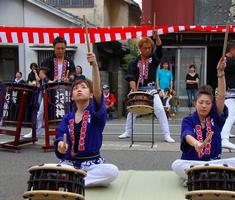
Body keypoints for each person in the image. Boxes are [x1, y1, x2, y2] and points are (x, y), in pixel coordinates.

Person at [171, 57, 235, 180]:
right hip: (193, 163)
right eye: (201, 102)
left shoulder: (215, 116)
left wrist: (220, 73)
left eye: (208, 103)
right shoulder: (188, 120)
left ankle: (199, 176)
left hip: (213, 162)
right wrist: (196, 143)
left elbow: (221, 95)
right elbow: (187, 134)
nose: (204, 105)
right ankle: (207, 175)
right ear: (195, 103)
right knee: (176, 164)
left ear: (212, 105)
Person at [55, 52, 118, 187]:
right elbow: (61, 136)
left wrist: (95, 65)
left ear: (90, 94)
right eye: (76, 88)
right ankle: (78, 180)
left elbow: (97, 90)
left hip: (93, 165)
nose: (79, 90)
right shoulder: (67, 118)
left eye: (83, 87)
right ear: (71, 96)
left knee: (112, 171)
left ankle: (74, 182)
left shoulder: (96, 115)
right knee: (55, 169)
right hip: (70, 163)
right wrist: (61, 146)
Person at [118, 31, 175, 143]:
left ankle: (167, 135)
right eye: (145, 48)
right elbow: (131, 76)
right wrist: (133, 88)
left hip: (151, 90)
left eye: (149, 48)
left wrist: (156, 35)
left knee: (160, 110)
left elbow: (159, 47)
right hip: (138, 89)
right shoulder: (134, 62)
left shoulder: (153, 59)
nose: (147, 50)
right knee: (132, 111)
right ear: (140, 48)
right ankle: (128, 132)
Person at [23, 36, 75, 138]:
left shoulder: (69, 61)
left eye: (63, 48)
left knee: (68, 112)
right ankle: (35, 132)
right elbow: (42, 73)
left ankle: (67, 133)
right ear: (54, 48)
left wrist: (69, 79)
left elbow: (73, 74)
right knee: (41, 111)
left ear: (65, 48)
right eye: (58, 48)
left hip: (65, 91)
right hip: (50, 90)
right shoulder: (48, 59)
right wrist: (49, 81)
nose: (60, 50)